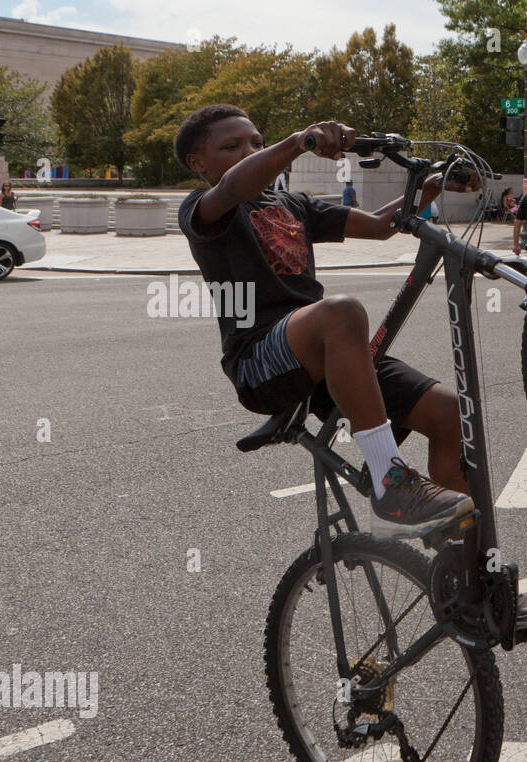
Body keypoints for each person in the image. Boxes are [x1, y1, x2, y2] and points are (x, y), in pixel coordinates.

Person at [173, 105, 479, 542]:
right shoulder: (204, 209)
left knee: (452, 414)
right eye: (231, 146)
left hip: (325, 353)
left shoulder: (291, 203)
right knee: (342, 310)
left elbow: (377, 226)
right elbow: (235, 185)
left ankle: (466, 574)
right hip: (260, 360)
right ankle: (389, 484)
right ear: (198, 164)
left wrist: (429, 188)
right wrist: (299, 141)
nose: (249, 150)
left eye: (256, 141)